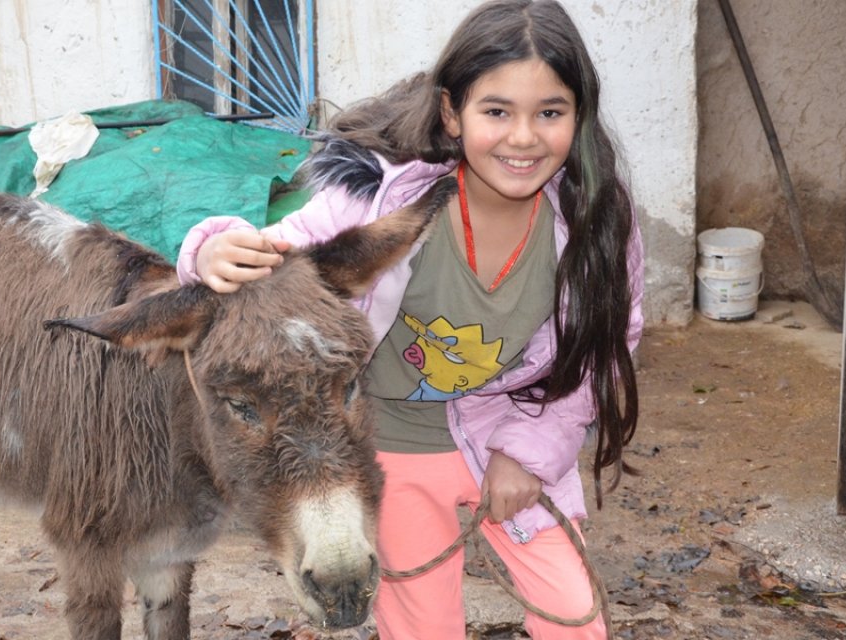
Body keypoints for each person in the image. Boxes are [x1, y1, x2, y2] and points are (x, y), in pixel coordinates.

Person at [176, 0, 642, 638]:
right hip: (391, 442)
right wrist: (208, 248)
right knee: (422, 627)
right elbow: (269, 258)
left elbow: (606, 348)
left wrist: (531, 456)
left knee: (576, 619)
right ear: (453, 113)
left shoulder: (596, 219)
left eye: (551, 113)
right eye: (497, 111)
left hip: (513, 429)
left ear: (579, 115)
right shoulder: (377, 202)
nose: (524, 137)